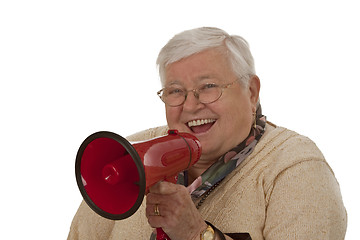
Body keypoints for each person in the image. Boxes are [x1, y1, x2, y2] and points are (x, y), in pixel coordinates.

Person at [67, 27, 347, 240]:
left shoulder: (296, 169)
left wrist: (196, 233)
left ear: (251, 92)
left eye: (209, 86)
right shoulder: (128, 151)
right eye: (175, 91)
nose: (190, 104)